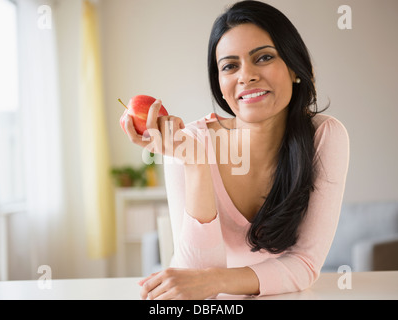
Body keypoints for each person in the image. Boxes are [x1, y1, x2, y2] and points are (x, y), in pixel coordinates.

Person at [124, 0, 349, 299]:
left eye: (264, 57)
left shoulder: (325, 136)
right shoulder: (187, 143)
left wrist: (217, 281)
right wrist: (196, 164)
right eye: (230, 66)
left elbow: (305, 265)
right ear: (220, 83)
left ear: (296, 69)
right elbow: (196, 280)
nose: (246, 76)